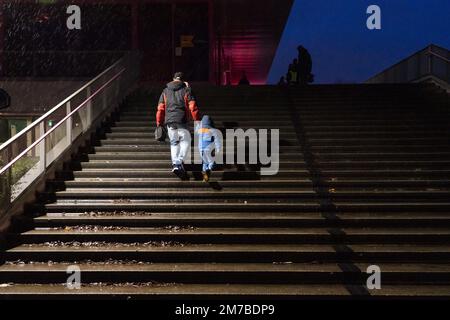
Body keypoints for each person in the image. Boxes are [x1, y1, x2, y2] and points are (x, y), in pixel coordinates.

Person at [156, 72, 201, 179]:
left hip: (170, 120)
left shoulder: (165, 91)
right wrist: (197, 120)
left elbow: (160, 108)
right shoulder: (186, 90)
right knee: (186, 140)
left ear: (173, 79)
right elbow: (192, 106)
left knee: (174, 142)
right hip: (182, 119)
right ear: (182, 80)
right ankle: (179, 161)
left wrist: (159, 122)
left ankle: (176, 164)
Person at [196, 115, 222, 182]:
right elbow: (217, 141)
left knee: (205, 162)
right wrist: (218, 150)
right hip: (208, 148)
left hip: (201, 149)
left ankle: (204, 177)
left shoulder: (200, 131)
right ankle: (208, 170)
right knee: (211, 161)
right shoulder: (213, 130)